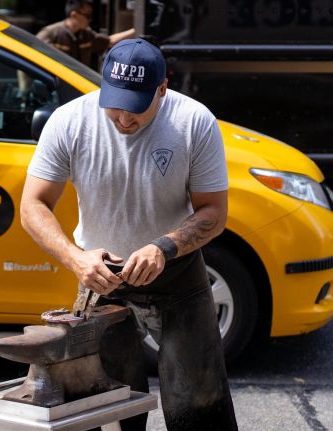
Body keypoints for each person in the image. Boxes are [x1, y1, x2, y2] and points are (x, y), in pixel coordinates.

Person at [20, 39, 238, 430]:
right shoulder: (70, 121)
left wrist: (163, 247)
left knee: (199, 403)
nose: (123, 119)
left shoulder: (194, 122)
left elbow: (214, 213)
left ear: (162, 89)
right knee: (113, 405)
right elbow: (33, 206)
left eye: (136, 107)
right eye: (115, 103)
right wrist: (75, 258)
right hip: (100, 276)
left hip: (177, 274)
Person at [37, 0, 136, 67]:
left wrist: (135, 30)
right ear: (74, 15)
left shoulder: (86, 35)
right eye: (87, 15)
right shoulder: (51, 33)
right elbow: (31, 55)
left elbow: (109, 41)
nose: (90, 19)